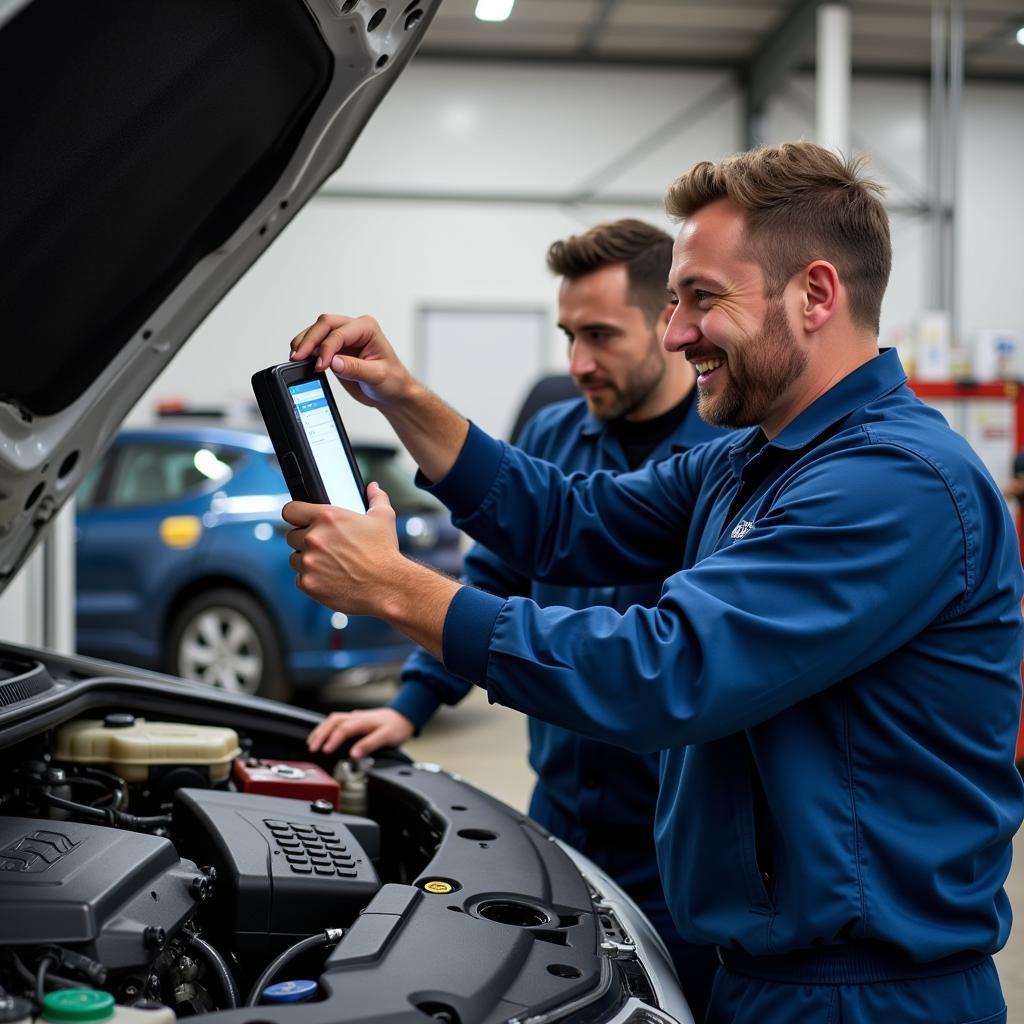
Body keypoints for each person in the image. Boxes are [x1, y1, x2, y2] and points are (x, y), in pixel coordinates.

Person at [283, 142, 1024, 1024]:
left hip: (860, 994)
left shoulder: (892, 484)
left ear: (816, 295)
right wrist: (401, 395)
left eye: (703, 299)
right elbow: (561, 518)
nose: (676, 334)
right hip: (767, 971)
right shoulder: (750, 462)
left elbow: (664, 671)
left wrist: (395, 589)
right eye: (673, 301)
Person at [306, 219, 727, 1020]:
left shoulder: (721, 457)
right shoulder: (554, 433)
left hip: (675, 840)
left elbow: (661, 665)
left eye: (601, 336)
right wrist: (410, 706)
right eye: (568, 334)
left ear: (667, 325)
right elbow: (503, 568)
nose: (577, 364)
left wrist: (391, 584)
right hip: (561, 816)